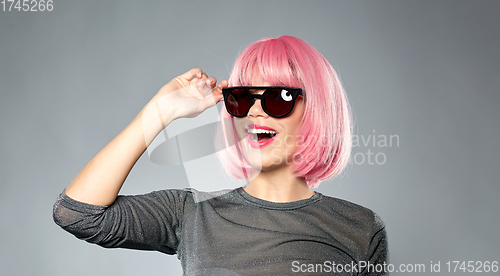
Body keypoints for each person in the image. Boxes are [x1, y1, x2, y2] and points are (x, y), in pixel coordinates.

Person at [53, 35, 388, 275]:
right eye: (242, 98)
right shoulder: (191, 214)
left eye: (279, 97)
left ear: (318, 109)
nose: (255, 112)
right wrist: (160, 112)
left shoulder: (361, 228)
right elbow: (78, 213)